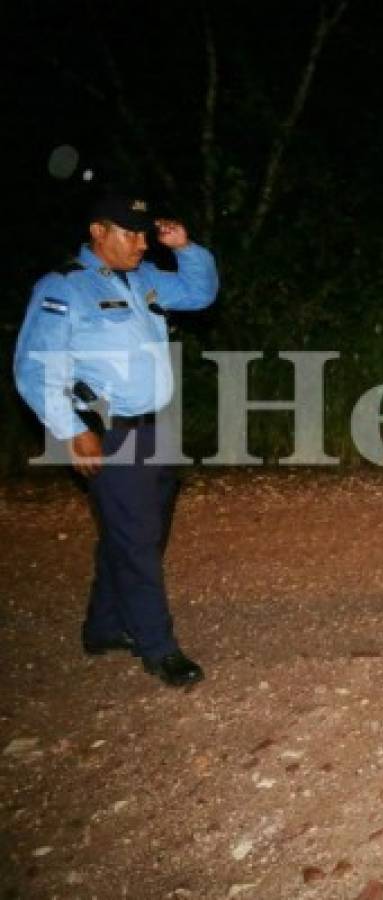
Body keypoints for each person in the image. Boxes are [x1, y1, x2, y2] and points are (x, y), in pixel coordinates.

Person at [13, 192, 219, 687]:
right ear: (98, 232)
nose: (142, 244)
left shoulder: (142, 279)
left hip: (154, 428)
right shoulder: (63, 288)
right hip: (108, 434)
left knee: (133, 535)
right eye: (130, 233)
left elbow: (199, 294)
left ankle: (104, 627)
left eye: (145, 234)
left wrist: (187, 248)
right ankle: (158, 648)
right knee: (138, 541)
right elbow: (34, 366)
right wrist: (71, 430)